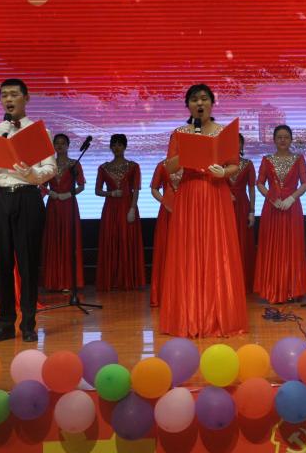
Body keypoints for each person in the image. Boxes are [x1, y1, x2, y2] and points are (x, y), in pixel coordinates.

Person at [159, 84, 248, 337]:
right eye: (194, 99)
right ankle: (188, 315)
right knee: (188, 251)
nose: (200, 103)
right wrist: (189, 149)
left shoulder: (223, 132)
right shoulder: (179, 133)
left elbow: (234, 165)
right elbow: (169, 167)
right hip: (189, 193)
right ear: (188, 105)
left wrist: (223, 172)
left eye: (204, 99)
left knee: (216, 248)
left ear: (211, 103)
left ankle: (218, 314)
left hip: (215, 193)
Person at [0, 78, 55, 343]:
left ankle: (29, 324)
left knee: (28, 263)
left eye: (13, 94)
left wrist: (33, 175)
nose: (8, 99)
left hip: (28, 197)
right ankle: (5, 324)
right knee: (2, 263)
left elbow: (51, 169)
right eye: (4, 95)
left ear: (26, 97)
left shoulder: (39, 131)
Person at [254, 125, 306, 303]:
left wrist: (292, 198)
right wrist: (271, 198)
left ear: (291, 139)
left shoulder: (298, 159)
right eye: (279, 137)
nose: (283, 140)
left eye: (286, 137)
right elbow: (259, 183)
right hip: (272, 207)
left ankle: (292, 289)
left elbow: (305, 183)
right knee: (272, 245)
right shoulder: (266, 159)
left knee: (292, 245)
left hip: (291, 207)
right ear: (274, 140)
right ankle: (272, 288)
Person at [95, 134, 145, 291]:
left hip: (127, 207)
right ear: (110, 147)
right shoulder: (103, 168)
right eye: (114, 145)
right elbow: (97, 191)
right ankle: (112, 279)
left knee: (126, 239)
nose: (117, 148)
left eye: (120, 145)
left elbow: (135, 190)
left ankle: (128, 279)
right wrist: (110, 193)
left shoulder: (134, 166)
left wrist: (132, 209)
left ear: (125, 147)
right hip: (110, 209)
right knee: (111, 240)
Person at [41, 134, 85, 292]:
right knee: (53, 240)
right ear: (53, 146)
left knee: (68, 239)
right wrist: (49, 192)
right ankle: (53, 281)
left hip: (68, 205)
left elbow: (81, 186)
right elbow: (41, 185)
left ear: (68, 145)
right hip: (53, 205)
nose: (59, 146)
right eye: (57, 143)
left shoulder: (75, 164)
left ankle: (68, 281)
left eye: (63, 143)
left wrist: (69, 194)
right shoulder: (49, 165)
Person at [149, 160, 180, 307]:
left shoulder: (191, 164)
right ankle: (166, 292)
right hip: (167, 212)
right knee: (166, 249)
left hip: (188, 209)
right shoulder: (162, 165)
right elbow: (154, 189)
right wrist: (165, 201)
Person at [229, 134, 256, 292]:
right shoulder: (220, 164)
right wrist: (226, 194)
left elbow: (252, 189)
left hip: (242, 206)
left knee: (242, 242)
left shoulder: (248, 164)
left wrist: (252, 211)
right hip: (224, 206)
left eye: (238, 143)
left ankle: (243, 281)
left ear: (242, 145)